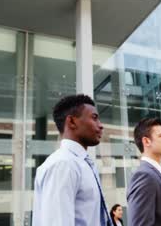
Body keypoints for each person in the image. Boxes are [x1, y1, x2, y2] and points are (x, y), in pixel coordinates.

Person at [32, 94, 111, 226]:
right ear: (72, 122)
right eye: (94, 118)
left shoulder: (80, 163)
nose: (101, 125)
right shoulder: (63, 164)